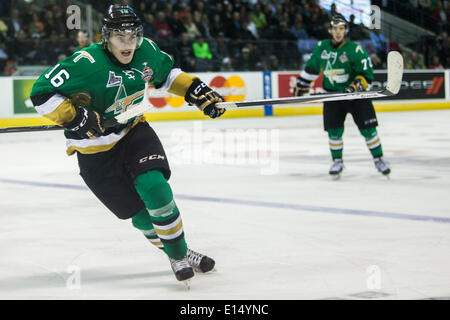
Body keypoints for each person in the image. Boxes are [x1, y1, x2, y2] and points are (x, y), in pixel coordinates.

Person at [30, 5, 225, 284]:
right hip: (93, 151)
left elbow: (168, 75)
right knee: (142, 217)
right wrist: (76, 118)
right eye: (120, 37)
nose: (128, 43)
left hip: (133, 131)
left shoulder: (147, 51)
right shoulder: (86, 62)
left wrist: (195, 89)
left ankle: (179, 253)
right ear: (106, 37)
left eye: (132, 36)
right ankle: (180, 251)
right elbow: (41, 93)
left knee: (155, 187)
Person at [293, 13, 390, 177]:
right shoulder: (321, 47)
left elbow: (366, 75)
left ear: (346, 30)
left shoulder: (355, 50)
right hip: (333, 96)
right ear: (330, 30)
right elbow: (312, 68)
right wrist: (302, 84)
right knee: (334, 131)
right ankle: (337, 161)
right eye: (335, 29)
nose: (338, 32)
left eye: (342, 29)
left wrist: (355, 86)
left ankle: (378, 159)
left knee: (369, 130)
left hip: (357, 97)